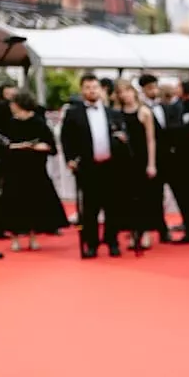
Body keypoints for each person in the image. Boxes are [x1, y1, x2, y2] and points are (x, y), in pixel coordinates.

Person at [60, 74, 128, 258]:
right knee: (90, 209)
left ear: (101, 89)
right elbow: (66, 138)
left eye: (95, 87)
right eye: (88, 87)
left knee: (113, 206)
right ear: (82, 90)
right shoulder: (74, 113)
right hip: (88, 167)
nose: (92, 91)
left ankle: (112, 241)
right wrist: (70, 159)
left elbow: (122, 136)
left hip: (111, 166)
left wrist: (122, 141)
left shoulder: (111, 113)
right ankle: (91, 243)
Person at [0, 91, 68, 253]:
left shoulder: (39, 123)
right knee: (13, 204)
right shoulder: (9, 123)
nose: (11, 106)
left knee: (34, 204)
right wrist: (18, 146)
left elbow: (52, 147)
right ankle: (15, 238)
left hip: (35, 170)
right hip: (14, 169)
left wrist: (37, 147)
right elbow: (2, 146)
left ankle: (33, 237)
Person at [113, 79, 159, 253]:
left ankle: (145, 232)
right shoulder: (117, 113)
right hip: (123, 161)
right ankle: (132, 232)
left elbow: (151, 139)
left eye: (127, 91)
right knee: (127, 197)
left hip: (141, 158)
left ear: (133, 91)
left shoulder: (144, 112)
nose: (125, 95)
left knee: (144, 196)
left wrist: (152, 163)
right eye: (121, 92)